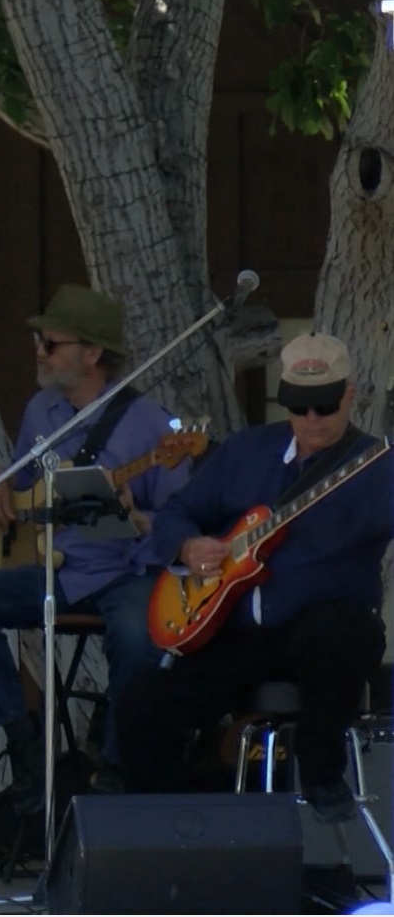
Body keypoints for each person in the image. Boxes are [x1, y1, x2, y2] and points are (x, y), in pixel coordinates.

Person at [118, 332, 392, 821]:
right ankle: (164, 833)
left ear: (350, 395)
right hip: (235, 632)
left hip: (321, 632)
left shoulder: (377, 466)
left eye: (325, 405)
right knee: (146, 700)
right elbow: (177, 513)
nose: (311, 419)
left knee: (346, 630)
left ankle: (323, 771)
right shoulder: (247, 450)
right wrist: (188, 545)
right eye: (300, 405)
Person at [0, 283, 187, 811]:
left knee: (135, 632)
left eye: (50, 343)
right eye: (39, 340)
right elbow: (26, 475)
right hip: (59, 567)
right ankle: (23, 747)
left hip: (127, 571)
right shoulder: (42, 410)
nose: (38, 351)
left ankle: (118, 765)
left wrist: (138, 517)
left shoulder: (152, 425)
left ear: (93, 353)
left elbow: (181, 520)